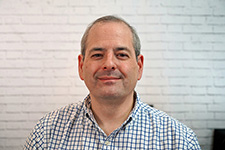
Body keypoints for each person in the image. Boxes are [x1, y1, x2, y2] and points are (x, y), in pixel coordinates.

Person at [24, 15, 201, 149]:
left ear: (139, 66)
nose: (109, 64)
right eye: (97, 55)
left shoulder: (179, 140)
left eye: (121, 55)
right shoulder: (46, 133)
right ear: (81, 66)